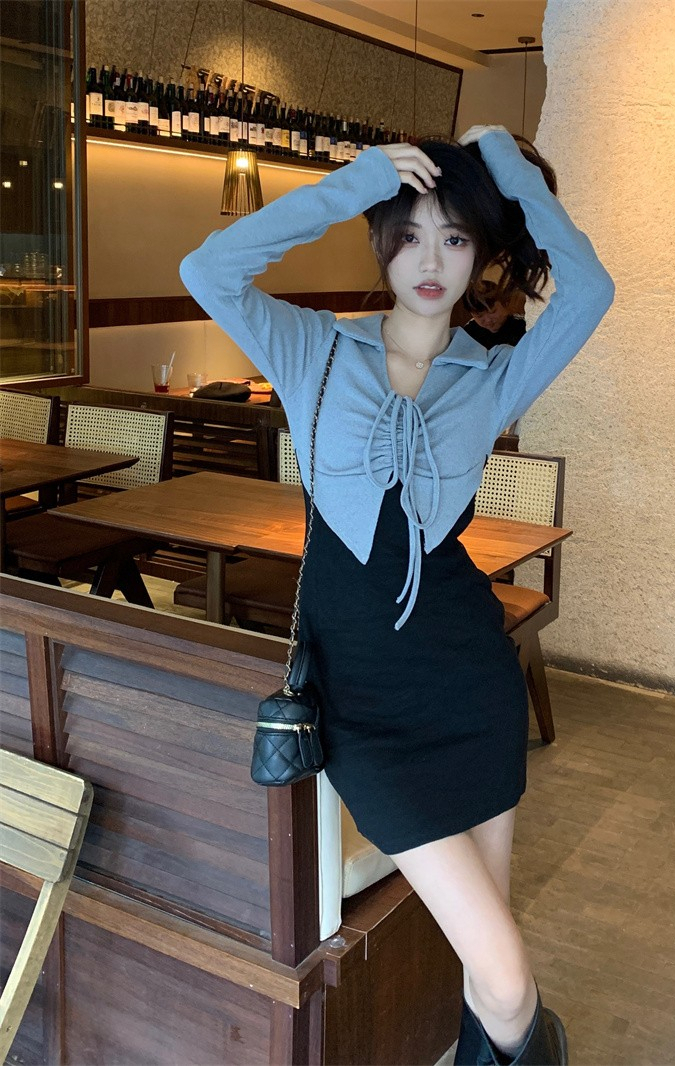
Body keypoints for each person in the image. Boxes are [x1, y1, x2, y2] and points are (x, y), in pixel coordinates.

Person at [180, 123, 614, 1066]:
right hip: (364, 706)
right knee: (508, 978)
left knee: (484, 968)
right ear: (381, 241)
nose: (430, 261)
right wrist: (355, 183)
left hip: (469, 686)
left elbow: (592, 290)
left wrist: (505, 171)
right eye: (410, 234)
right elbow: (207, 269)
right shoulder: (312, 350)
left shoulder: (491, 377)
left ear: (481, 254)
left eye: (455, 238)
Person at [463, 279, 528, 348]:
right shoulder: (469, 334)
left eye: (493, 312)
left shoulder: (522, 326)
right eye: (479, 316)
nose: (488, 320)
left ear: (505, 304)